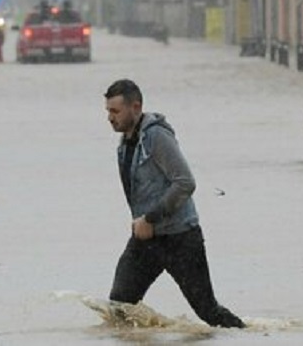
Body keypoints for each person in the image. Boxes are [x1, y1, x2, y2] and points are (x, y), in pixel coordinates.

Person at [103, 79, 245, 329]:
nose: (110, 118)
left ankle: (252, 337)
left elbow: (185, 182)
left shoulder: (156, 136)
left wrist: (150, 218)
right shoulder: (125, 143)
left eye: (115, 111)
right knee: (118, 308)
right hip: (145, 240)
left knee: (208, 311)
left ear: (135, 107)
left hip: (181, 239)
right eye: (108, 111)